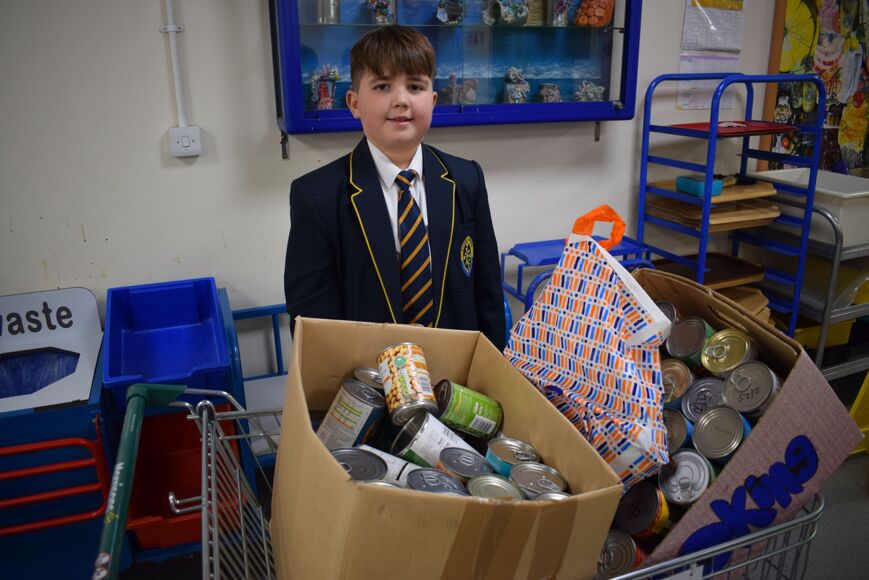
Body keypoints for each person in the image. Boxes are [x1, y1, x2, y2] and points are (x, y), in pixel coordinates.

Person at [283, 25, 506, 349]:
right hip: (367, 375)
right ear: (354, 103)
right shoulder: (318, 196)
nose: (401, 100)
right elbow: (313, 327)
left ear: (432, 100)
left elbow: (488, 295)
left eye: (415, 86)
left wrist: (492, 370)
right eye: (383, 86)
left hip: (457, 375)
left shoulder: (466, 178)